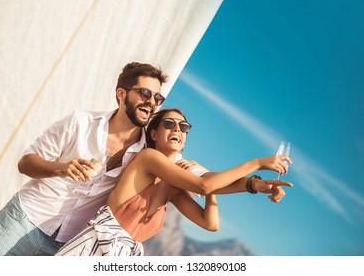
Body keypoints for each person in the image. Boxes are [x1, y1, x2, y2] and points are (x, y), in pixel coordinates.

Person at [0, 62, 181, 256]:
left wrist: (195, 168)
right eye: (145, 93)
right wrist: (61, 169)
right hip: (23, 220)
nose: (152, 102)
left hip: (67, 246)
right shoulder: (80, 122)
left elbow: (177, 160)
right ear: (121, 94)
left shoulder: (145, 153)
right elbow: (26, 163)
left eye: (158, 98)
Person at [55, 108, 293, 256]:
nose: (177, 128)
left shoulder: (175, 189)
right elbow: (204, 185)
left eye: (184, 126)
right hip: (92, 251)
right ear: (155, 134)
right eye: (169, 124)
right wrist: (257, 163)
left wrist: (256, 185)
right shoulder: (148, 159)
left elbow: (211, 224)